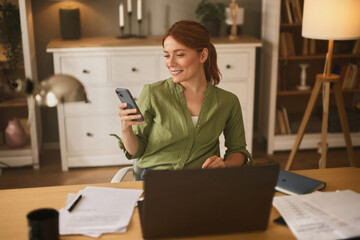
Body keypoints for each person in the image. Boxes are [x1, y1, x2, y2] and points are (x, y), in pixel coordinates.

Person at [116, 20, 252, 178]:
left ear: (203, 55)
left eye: (179, 54)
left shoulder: (227, 102)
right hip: (157, 178)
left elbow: (238, 151)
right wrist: (126, 129)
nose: (171, 63)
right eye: (167, 55)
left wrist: (225, 164)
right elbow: (136, 151)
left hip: (201, 180)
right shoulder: (153, 93)